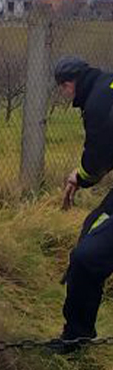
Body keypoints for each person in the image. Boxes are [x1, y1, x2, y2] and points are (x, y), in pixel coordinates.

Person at [51, 55, 113, 349]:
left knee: (87, 258)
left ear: (68, 84)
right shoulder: (107, 86)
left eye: (63, 89)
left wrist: (82, 177)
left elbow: (99, 155)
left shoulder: (98, 101)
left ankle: (75, 337)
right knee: (93, 227)